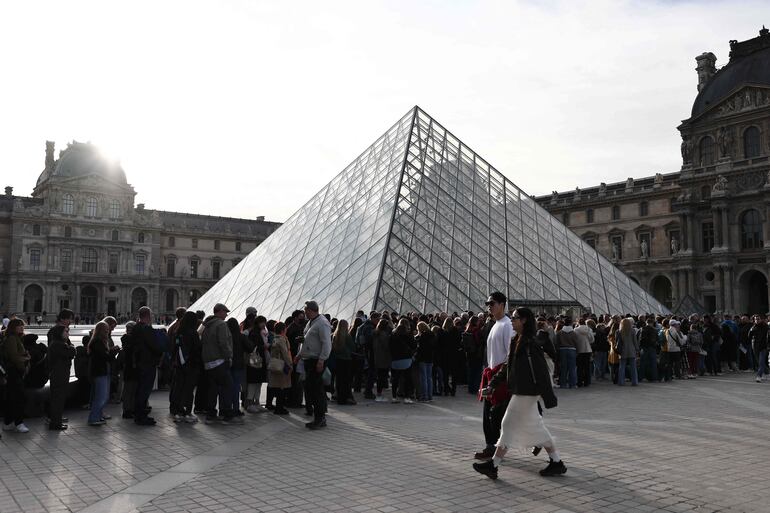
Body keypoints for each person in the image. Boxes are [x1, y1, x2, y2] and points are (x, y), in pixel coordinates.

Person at [473, 307, 566, 479]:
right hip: (520, 390)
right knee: (537, 427)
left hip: (527, 392)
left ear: (523, 320)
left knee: (507, 424)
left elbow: (541, 372)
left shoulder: (531, 343)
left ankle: (493, 465)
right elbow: (507, 366)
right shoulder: (517, 339)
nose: (511, 320)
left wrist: (548, 396)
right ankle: (556, 462)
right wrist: (492, 384)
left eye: (515, 318)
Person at [474, 292, 513, 461]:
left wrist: (500, 377)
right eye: (488, 304)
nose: (489, 306)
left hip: (499, 376)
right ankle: (491, 447)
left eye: (492, 303)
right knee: (488, 414)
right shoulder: (495, 324)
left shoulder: (507, 325)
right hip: (491, 374)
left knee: (495, 415)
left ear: (503, 304)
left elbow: (509, 355)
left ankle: (495, 449)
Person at [201, 304, 240, 424]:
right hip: (219, 361)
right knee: (228, 387)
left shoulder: (207, 325)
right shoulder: (221, 324)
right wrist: (228, 357)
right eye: (225, 312)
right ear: (219, 312)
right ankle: (227, 415)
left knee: (212, 389)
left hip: (208, 362)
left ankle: (211, 415)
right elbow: (223, 343)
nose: (226, 314)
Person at [298, 300, 332, 430]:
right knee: (313, 388)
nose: (304, 312)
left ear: (312, 310)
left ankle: (320, 418)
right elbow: (309, 340)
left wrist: (321, 360)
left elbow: (327, 344)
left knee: (316, 389)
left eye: (306, 310)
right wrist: (300, 354)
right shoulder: (311, 322)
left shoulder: (322, 323)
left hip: (316, 360)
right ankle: (319, 417)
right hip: (310, 360)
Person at [170, 311, 203, 422]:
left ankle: (178, 412)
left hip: (179, 365)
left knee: (179, 388)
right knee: (188, 390)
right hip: (191, 366)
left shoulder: (178, 332)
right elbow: (197, 349)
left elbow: (174, 348)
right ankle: (187, 413)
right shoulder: (193, 333)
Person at [133, 307, 163, 426]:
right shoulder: (146, 329)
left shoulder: (136, 327)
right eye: (151, 314)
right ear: (148, 316)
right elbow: (154, 346)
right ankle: (141, 416)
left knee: (140, 390)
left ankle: (139, 414)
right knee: (144, 391)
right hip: (147, 363)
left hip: (140, 362)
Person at [2, 319, 31, 433]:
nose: (22, 327)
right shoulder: (12, 339)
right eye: (19, 326)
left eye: (22, 326)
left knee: (12, 397)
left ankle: (8, 422)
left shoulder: (15, 338)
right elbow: (14, 357)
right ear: (13, 327)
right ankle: (18, 423)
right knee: (18, 398)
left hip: (13, 372)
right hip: (14, 372)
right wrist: (24, 366)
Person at [87, 321, 117, 426]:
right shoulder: (97, 342)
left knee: (103, 396)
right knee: (101, 396)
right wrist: (114, 352)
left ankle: (98, 415)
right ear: (101, 331)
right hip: (99, 372)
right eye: (106, 330)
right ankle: (93, 417)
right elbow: (105, 357)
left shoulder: (101, 342)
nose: (108, 332)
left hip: (103, 371)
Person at [47, 324, 76, 430]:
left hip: (59, 374)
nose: (68, 334)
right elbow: (71, 352)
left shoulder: (57, 343)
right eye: (66, 332)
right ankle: (55, 423)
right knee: (58, 399)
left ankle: (56, 421)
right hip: (59, 375)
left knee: (58, 399)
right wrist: (71, 347)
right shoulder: (58, 344)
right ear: (60, 333)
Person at [227, 317, 254, 418]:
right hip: (238, 364)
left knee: (227, 387)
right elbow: (250, 347)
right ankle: (236, 409)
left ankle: (226, 408)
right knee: (236, 386)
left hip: (227, 364)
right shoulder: (240, 336)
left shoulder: (226, 336)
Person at [267, 322, 293, 414]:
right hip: (282, 366)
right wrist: (290, 364)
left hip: (276, 364)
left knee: (278, 387)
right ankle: (279, 408)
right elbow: (285, 353)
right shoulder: (282, 340)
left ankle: (278, 406)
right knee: (282, 388)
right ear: (283, 330)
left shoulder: (274, 339)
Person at [331, 319, 356, 405]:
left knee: (338, 379)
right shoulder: (347, 336)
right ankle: (345, 398)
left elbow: (333, 348)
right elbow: (353, 347)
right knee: (346, 380)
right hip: (346, 360)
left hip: (338, 360)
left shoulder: (334, 336)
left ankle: (339, 397)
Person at [414, 321, 435, 402]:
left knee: (423, 378)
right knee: (429, 378)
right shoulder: (432, 335)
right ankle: (430, 395)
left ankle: (424, 396)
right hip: (430, 358)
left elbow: (420, 349)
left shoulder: (422, 336)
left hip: (423, 358)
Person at [373, 319, 392, 402]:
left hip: (377, 357)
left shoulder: (376, 333)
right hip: (384, 358)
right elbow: (387, 347)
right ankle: (379, 395)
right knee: (381, 377)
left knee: (379, 376)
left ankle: (379, 393)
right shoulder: (384, 335)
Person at [616, 317, 640, 386]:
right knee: (633, 367)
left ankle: (621, 382)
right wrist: (637, 349)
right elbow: (635, 341)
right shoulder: (632, 330)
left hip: (623, 351)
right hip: (631, 350)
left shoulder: (619, 331)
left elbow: (617, 342)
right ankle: (634, 382)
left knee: (622, 366)